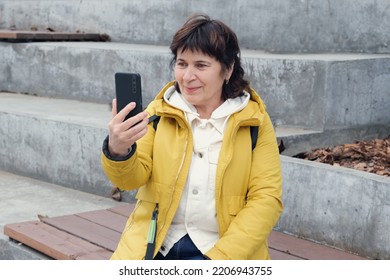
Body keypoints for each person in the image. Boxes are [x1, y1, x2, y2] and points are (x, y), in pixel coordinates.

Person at [101, 14, 283, 260]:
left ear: (227, 69)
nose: (187, 76)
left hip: (222, 251)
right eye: (182, 63)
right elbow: (131, 180)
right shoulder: (158, 112)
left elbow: (266, 199)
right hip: (154, 246)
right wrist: (119, 150)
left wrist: (218, 260)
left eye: (201, 65)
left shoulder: (254, 122)